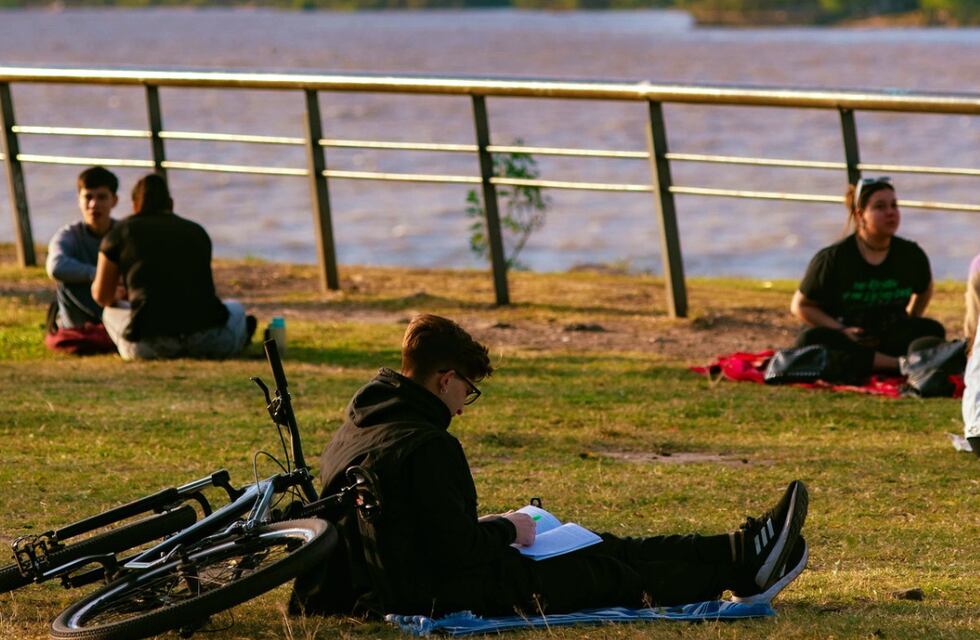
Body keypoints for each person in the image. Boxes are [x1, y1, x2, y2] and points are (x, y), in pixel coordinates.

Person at [291, 314, 809, 618]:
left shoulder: (360, 423)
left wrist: (497, 529)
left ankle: (743, 550)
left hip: (402, 571)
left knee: (599, 543)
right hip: (438, 591)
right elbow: (457, 553)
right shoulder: (426, 445)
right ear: (444, 379)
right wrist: (506, 527)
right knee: (604, 571)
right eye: (467, 391)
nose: (464, 405)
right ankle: (741, 568)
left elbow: (417, 525)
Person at [790, 177, 945, 376]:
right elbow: (801, 306)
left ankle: (879, 363)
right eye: (880, 207)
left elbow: (924, 289)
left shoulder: (911, 254)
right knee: (810, 340)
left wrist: (911, 318)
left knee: (932, 330)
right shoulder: (833, 258)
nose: (890, 212)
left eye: (894, 205)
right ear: (860, 215)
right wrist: (841, 330)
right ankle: (899, 365)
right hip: (847, 335)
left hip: (888, 333)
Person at [91, 173, 255, 360]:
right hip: (209, 340)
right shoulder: (196, 232)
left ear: (134, 205)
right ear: (170, 203)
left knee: (109, 312)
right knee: (236, 308)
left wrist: (120, 296)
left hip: (148, 346)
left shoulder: (119, 233)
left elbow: (101, 296)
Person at [43, 166, 120, 354]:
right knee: (67, 283)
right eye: (88, 197)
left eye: (102, 197)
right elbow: (55, 267)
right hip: (79, 313)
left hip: (117, 300)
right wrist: (100, 276)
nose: (94, 204)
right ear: (79, 200)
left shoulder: (123, 233)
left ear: (114, 200)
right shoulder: (68, 235)